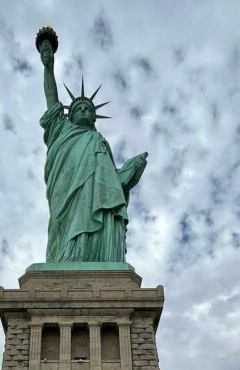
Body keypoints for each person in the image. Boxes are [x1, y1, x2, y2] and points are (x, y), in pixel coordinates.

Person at [37, 31, 148, 263]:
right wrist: (48, 67)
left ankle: (94, 257)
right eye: (79, 109)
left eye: (88, 109)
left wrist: (131, 169)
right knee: (63, 226)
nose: (84, 111)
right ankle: (67, 258)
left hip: (94, 197)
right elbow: (51, 98)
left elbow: (111, 183)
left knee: (99, 214)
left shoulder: (99, 142)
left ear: (95, 119)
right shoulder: (61, 130)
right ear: (71, 114)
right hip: (65, 190)